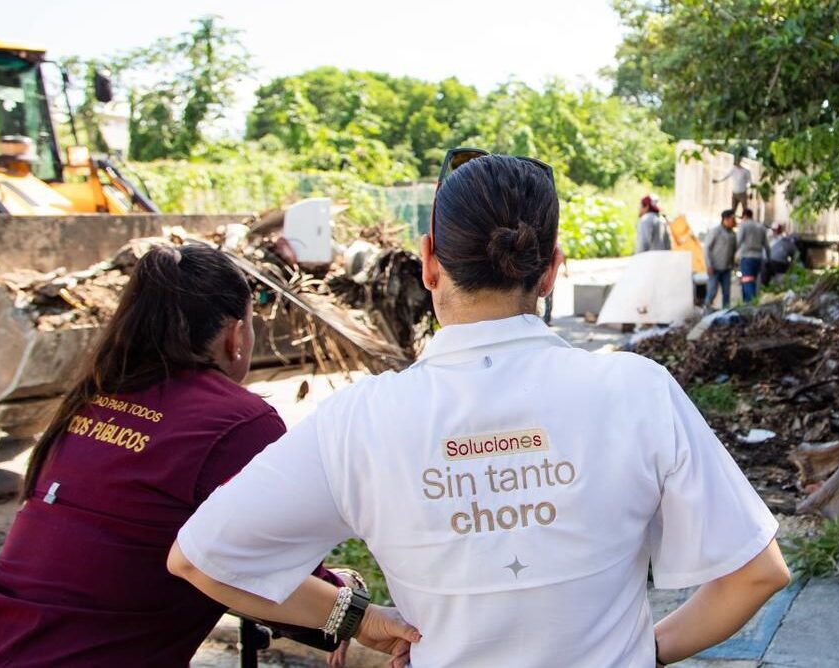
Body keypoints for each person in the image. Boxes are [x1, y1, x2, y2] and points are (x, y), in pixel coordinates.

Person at [169, 152, 789, 668]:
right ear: (551, 270)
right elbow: (757, 573)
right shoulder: (637, 391)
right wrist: (640, 653)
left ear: (429, 261)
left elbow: (199, 560)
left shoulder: (357, 421)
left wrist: (357, 619)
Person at [0, 244, 354, 667]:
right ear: (235, 336)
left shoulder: (91, 398)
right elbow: (268, 571)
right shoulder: (238, 423)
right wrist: (351, 604)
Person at [703, 209, 739, 310]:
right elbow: (706, 248)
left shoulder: (733, 234)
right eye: (732, 219)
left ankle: (725, 313)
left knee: (726, 293)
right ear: (725, 219)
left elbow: (734, 250)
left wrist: (733, 265)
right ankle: (706, 311)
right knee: (712, 292)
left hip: (727, 269)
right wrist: (709, 265)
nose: (734, 221)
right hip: (714, 268)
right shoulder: (716, 231)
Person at [735, 208, 769, 302]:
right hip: (759, 258)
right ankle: (749, 302)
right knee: (755, 282)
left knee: (747, 281)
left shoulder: (744, 225)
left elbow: (738, 242)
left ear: (745, 216)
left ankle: (750, 303)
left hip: (747, 258)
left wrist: (732, 254)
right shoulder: (761, 227)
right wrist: (768, 259)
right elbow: (766, 246)